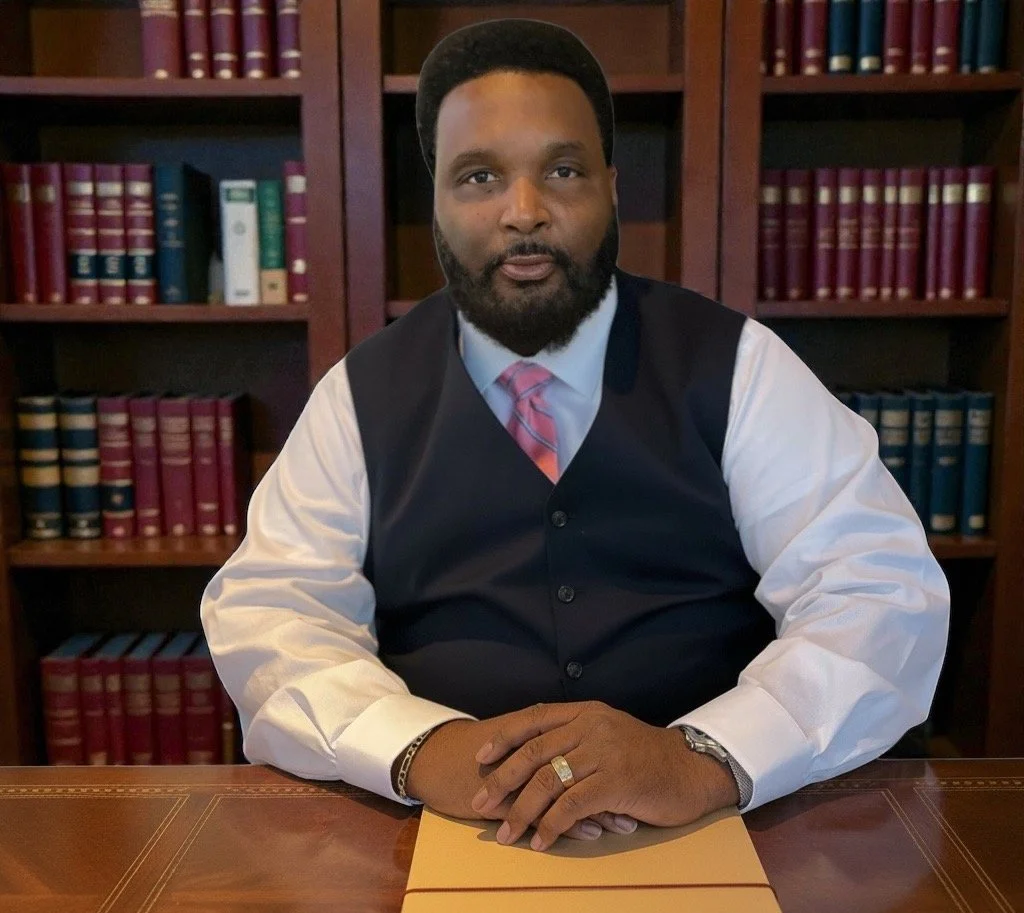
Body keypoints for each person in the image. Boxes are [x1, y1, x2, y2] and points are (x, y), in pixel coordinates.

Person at [200, 19, 950, 853]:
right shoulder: (359, 394)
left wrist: (703, 757)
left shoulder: (737, 364)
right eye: (479, 177)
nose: (525, 213)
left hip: (719, 823)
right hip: (445, 832)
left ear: (612, 187)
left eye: (561, 170)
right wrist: (418, 748)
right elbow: (274, 611)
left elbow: (877, 592)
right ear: (437, 203)